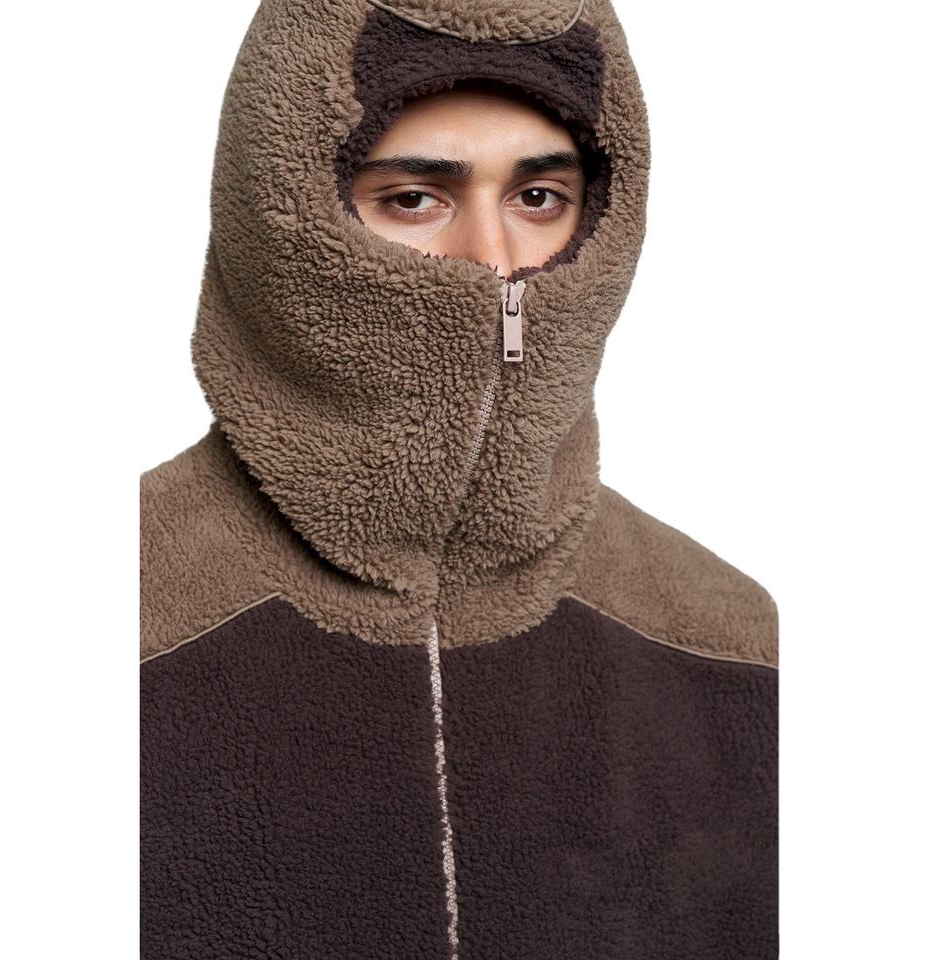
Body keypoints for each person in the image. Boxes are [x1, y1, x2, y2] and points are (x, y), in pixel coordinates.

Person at [140, 2, 779, 958]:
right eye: (413, 198)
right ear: (281, 217)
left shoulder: (736, 641)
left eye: (539, 197)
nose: (492, 262)